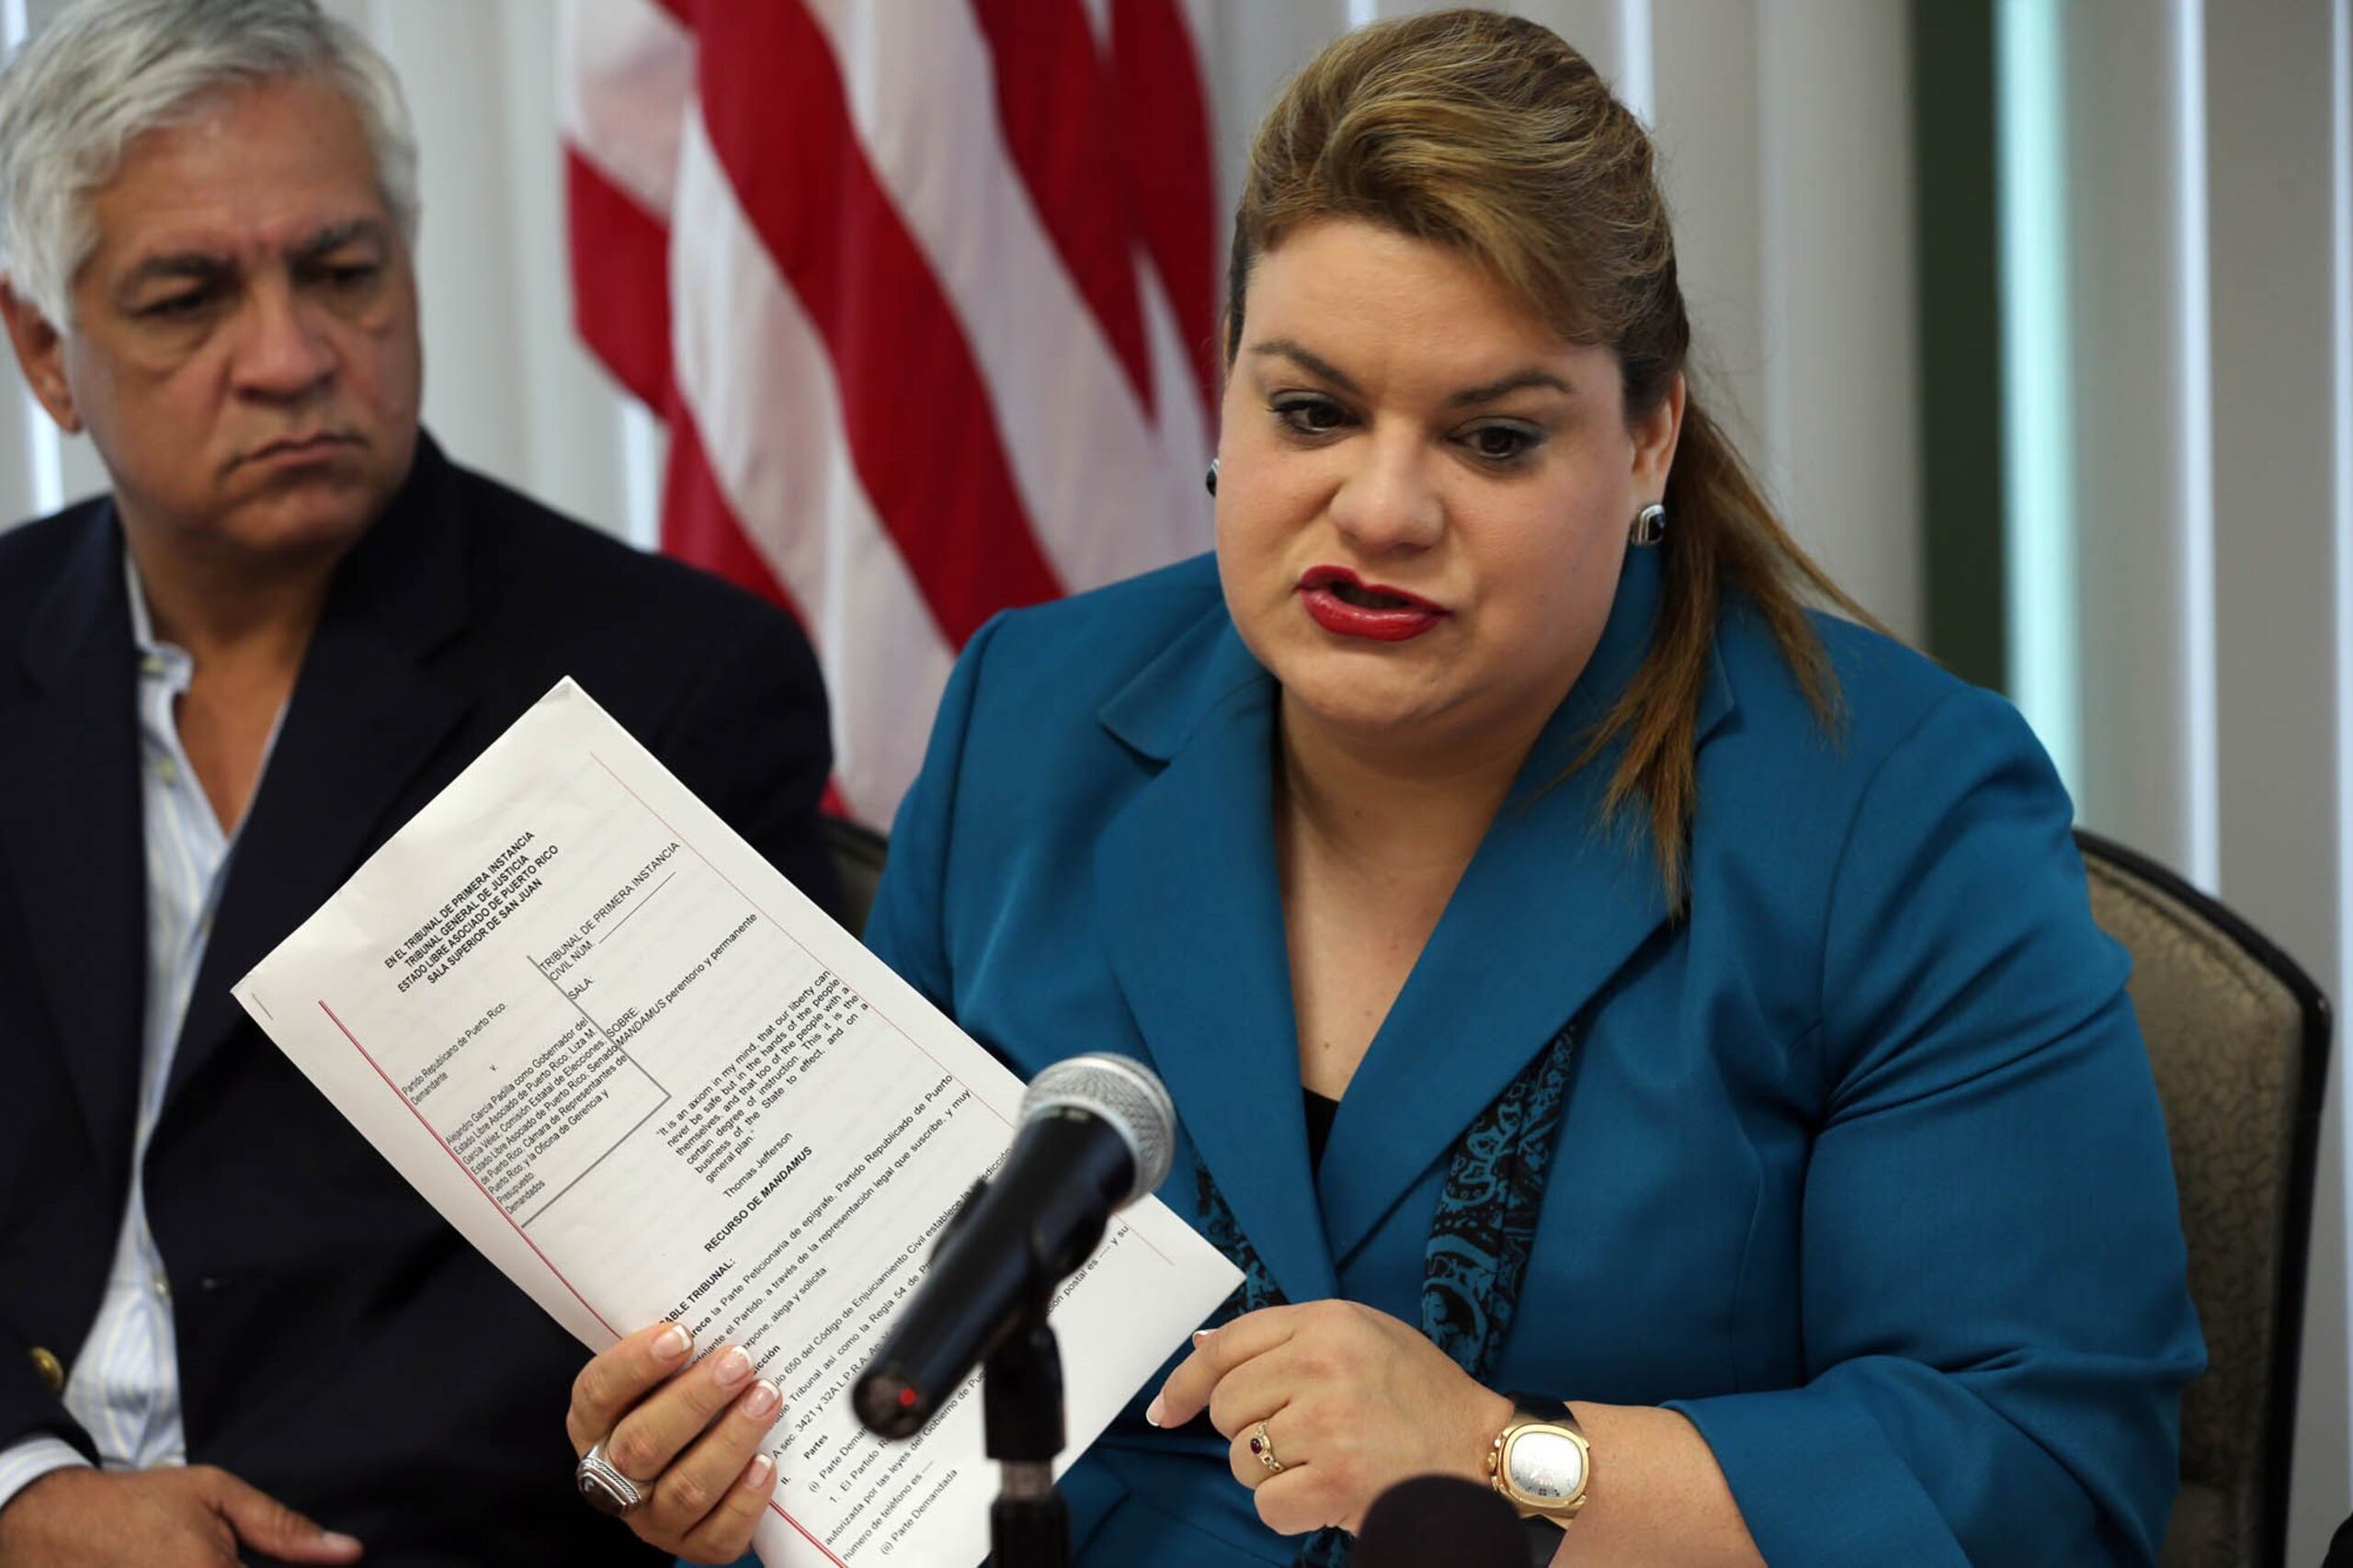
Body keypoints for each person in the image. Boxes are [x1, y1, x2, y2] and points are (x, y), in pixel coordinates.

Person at [565, 11, 2202, 1566]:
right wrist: (703, 1461)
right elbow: (870, 1318)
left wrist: (1509, 1453)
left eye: (1492, 438)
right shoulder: (1030, 719)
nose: (1383, 506)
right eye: (1312, 411)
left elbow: (2042, 1472)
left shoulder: (1894, 809)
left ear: (1647, 442)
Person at [0, 1, 840, 1563]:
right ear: (49, 353)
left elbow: (706, 1289)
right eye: (188, 297)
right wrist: (22, 1492)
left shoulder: (666, 683)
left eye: (342, 272)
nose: (294, 355)